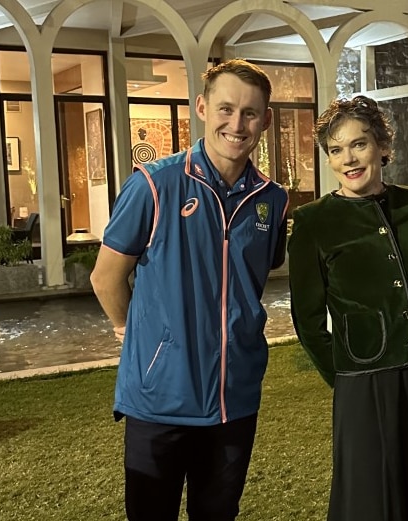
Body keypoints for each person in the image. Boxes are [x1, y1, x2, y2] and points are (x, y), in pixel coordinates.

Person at [90, 59, 288, 521]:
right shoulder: (154, 185)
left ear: (266, 120)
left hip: (233, 398)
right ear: (202, 107)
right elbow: (105, 276)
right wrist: (127, 330)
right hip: (160, 399)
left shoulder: (272, 200)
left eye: (250, 113)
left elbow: (255, 278)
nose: (236, 124)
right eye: (225, 108)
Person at [288, 95, 408, 521]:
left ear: (382, 147)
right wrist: (345, 376)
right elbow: (309, 320)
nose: (348, 158)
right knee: (372, 497)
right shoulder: (314, 221)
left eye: (359, 144)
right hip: (364, 378)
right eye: (336, 149)